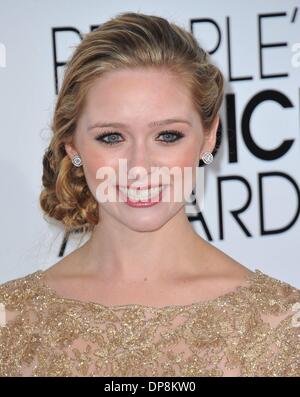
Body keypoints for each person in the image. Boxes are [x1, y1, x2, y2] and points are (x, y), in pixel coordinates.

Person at [0, 11, 299, 377]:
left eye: (167, 136)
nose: (140, 166)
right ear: (72, 146)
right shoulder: (10, 323)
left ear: (208, 136)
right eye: (112, 137)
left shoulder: (281, 324)